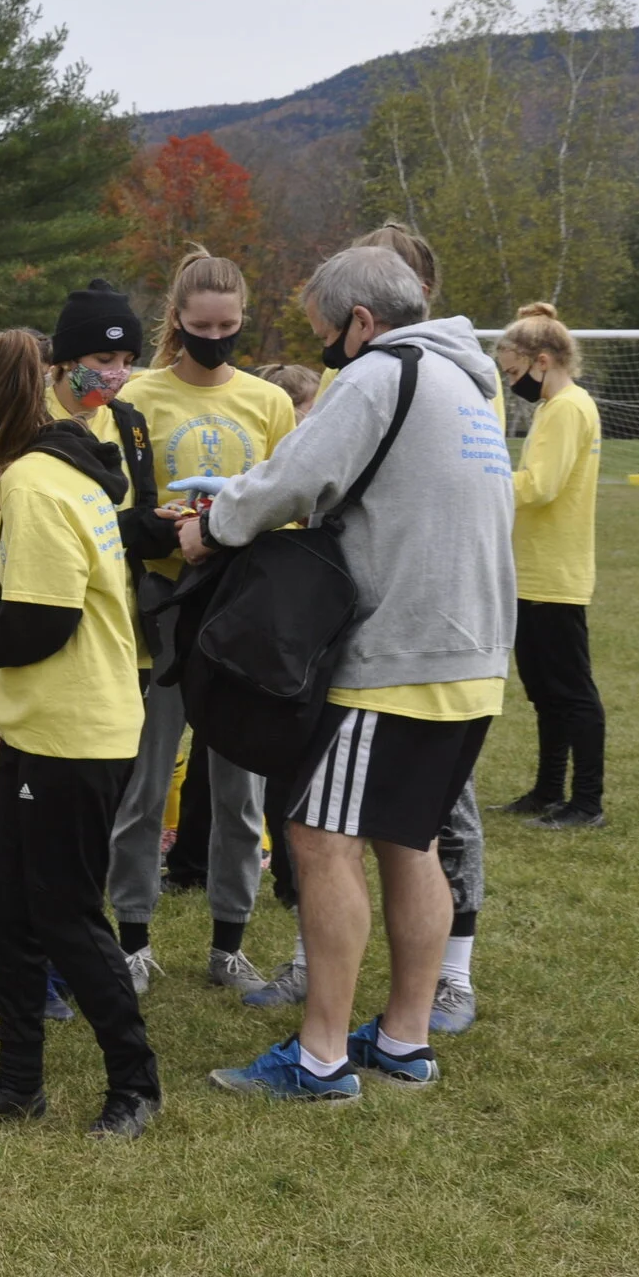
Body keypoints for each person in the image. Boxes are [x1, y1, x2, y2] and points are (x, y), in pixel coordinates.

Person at [193, 246, 513, 1100]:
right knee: (410, 843)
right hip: (473, 657)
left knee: (320, 839)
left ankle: (321, 1058)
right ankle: (406, 1040)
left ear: (362, 322)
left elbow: (298, 476)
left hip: (395, 658)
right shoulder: (467, 384)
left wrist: (212, 524)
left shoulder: (379, 374)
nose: (329, 349)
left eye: (326, 334)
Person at [0, 330, 161, 1140]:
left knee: (65, 916)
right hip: (43, 724)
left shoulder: (36, 483)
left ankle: (135, 1084)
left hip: (75, 733)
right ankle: (20, 1081)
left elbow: (46, 622)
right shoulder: (50, 468)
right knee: (9, 908)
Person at [110, 248, 298, 999]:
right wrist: (160, 529)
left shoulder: (268, 401)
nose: (215, 337)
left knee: (238, 792)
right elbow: (115, 509)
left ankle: (229, 942)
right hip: (163, 612)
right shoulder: (138, 394)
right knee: (146, 783)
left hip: (240, 611)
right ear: (177, 322)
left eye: (229, 326)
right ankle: (132, 936)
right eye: (201, 325)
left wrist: (230, 525)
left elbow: (288, 504)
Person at [494, 303, 606, 832]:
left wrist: (482, 483)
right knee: (544, 691)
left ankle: (587, 802)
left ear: (543, 360)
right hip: (533, 570)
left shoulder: (567, 408)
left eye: (514, 373)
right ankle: (547, 790)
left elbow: (540, 485)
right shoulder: (551, 408)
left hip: (554, 575)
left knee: (571, 692)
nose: (512, 383)